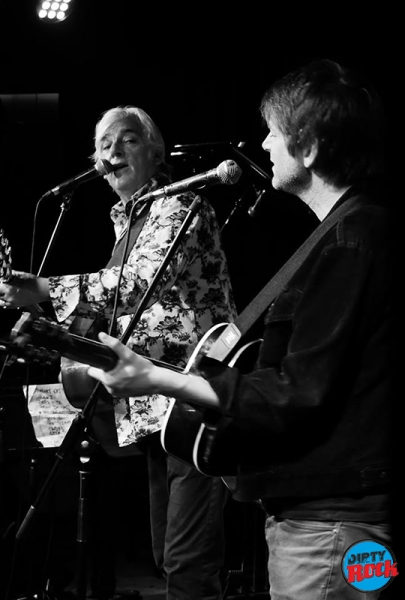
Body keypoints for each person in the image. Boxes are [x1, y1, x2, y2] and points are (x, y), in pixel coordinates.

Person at [86, 61, 397, 600]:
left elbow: (293, 392)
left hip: (334, 529)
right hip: (326, 521)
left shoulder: (351, 241)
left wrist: (158, 379)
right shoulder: (341, 235)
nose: (265, 143)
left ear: (312, 147)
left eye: (274, 131)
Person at [0, 105, 237, 599]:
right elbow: (122, 308)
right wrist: (46, 333)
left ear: (155, 151)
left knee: (188, 564)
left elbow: (136, 282)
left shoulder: (181, 207)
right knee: (168, 555)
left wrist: (44, 287)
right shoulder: (130, 223)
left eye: (126, 141)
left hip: (196, 396)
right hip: (154, 406)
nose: (112, 153)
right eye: (103, 146)